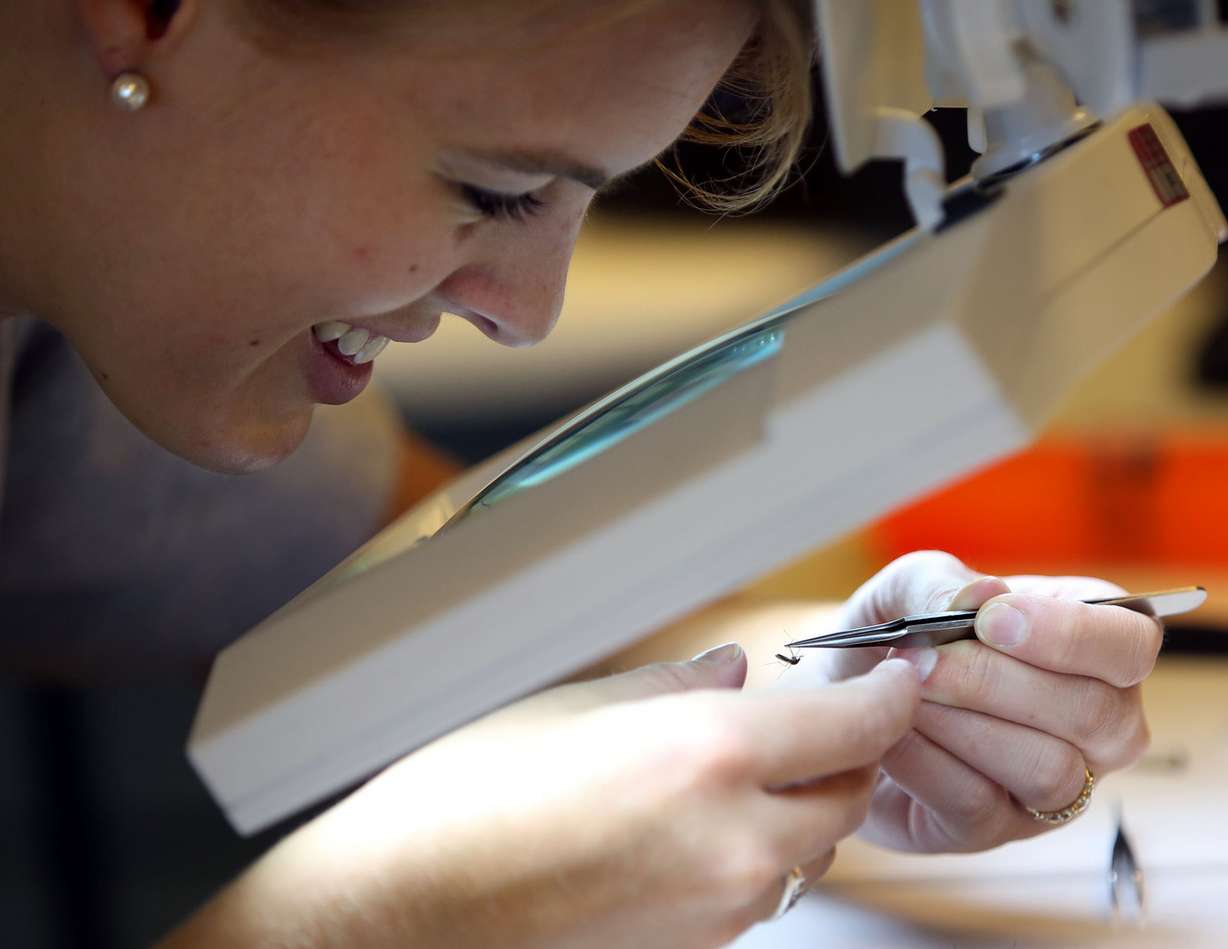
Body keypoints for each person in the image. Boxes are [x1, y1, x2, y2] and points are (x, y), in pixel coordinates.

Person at [0, 2, 1163, 947]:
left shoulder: (87, 347)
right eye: (495, 191)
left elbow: (440, 604)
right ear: (146, 16)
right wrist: (382, 915)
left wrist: (820, 672)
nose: (529, 314)